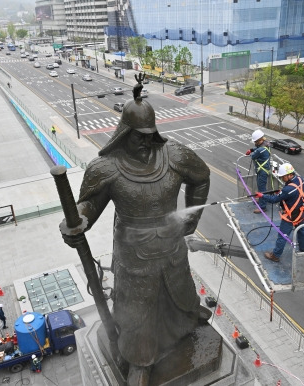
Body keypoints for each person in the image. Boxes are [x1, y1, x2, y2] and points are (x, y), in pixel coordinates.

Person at [60, 81, 211, 385]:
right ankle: (139, 360)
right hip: (133, 251)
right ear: (125, 133)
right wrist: (79, 222)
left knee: (179, 287)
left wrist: (189, 220)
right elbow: (90, 203)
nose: (146, 142)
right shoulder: (106, 167)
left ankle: (188, 318)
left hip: (170, 245)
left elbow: (202, 177)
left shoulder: (174, 154)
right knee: (137, 308)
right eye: (140, 137)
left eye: (150, 136)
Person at [255, 163, 304, 263]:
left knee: (282, 236)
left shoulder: (287, 189)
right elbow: (294, 192)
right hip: (301, 212)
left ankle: (275, 255)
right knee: (302, 232)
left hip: (290, 216)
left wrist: (262, 196)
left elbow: (274, 199)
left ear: (289, 175)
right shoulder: (301, 179)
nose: (282, 179)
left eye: (283, 177)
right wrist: (282, 193)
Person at [246, 129, 272, 213]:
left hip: (262, 171)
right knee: (261, 187)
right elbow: (256, 148)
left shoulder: (261, 150)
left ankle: (262, 206)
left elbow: (253, 156)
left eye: (255, 142)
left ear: (259, 140)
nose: (255, 143)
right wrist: (252, 149)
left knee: (262, 189)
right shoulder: (266, 144)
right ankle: (261, 200)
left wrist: (251, 152)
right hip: (263, 170)